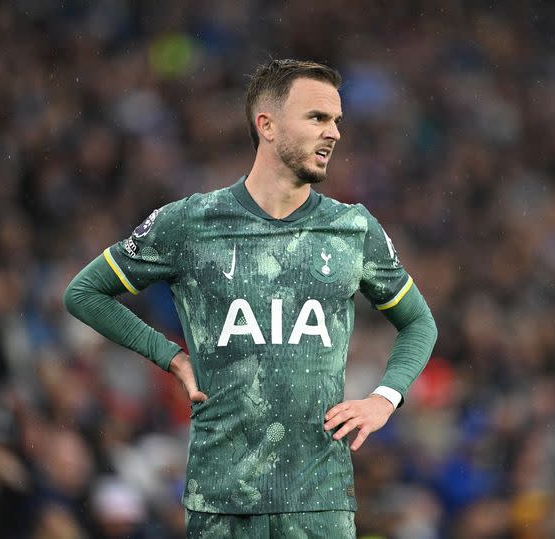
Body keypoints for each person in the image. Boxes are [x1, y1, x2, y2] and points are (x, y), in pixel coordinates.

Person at [63, 58, 438, 538]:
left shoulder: (353, 228)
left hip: (319, 504)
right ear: (267, 125)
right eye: (318, 118)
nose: (334, 134)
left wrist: (385, 399)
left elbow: (419, 323)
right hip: (220, 503)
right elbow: (86, 293)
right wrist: (173, 358)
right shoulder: (190, 223)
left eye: (337, 121)